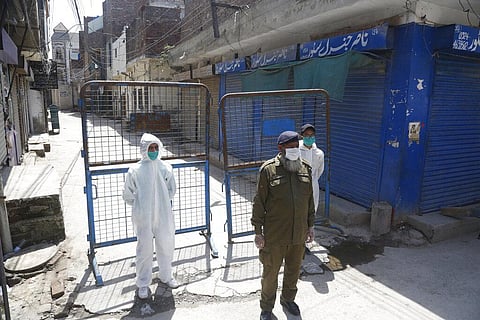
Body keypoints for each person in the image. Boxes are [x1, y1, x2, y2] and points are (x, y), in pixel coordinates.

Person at [251, 130, 315, 320]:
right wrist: (258, 231)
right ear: (280, 148)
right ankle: (266, 308)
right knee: (270, 274)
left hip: (298, 234)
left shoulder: (305, 169)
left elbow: (309, 201)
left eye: (297, 147)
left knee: (293, 271)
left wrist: (311, 226)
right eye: (290, 147)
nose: (295, 150)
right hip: (275, 235)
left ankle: (288, 299)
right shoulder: (268, 170)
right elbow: (259, 202)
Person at [122, 133, 179, 300]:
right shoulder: (135, 170)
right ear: (144, 149)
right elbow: (127, 193)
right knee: (144, 250)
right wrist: (140, 206)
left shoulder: (165, 168)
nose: (153, 150)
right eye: (150, 148)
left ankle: (166, 276)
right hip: (144, 218)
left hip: (163, 216)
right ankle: (143, 283)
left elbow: (172, 190)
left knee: (166, 245)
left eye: (155, 147)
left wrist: (161, 202)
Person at [299, 124, 325, 215]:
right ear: (302, 136)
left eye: (312, 135)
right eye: (307, 135)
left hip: (313, 183)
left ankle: (310, 228)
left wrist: (313, 179)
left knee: (312, 208)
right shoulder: (296, 150)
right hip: (298, 183)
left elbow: (319, 170)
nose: (309, 137)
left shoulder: (319, 153)